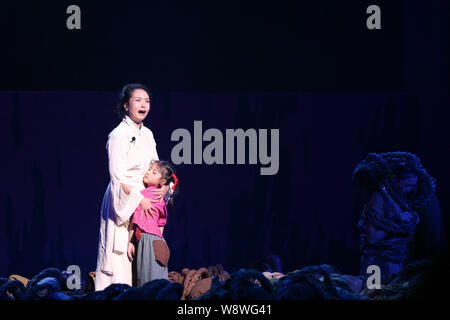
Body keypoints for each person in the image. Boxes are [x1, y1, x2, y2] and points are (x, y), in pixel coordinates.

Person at [95, 84, 170, 291]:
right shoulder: (118, 135)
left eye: (147, 101)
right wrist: (139, 199)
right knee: (118, 259)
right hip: (125, 199)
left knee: (143, 256)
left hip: (145, 199)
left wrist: (165, 188)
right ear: (126, 106)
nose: (144, 104)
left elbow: (158, 167)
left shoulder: (148, 134)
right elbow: (117, 178)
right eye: (138, 100)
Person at [353, 152, 436, 283]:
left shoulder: (398, 199)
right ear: (393, 178)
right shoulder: (378, 198)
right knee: (375, 295)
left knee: (394, 294)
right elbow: (372, 238)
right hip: (376, 263)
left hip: (395, 263)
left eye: (412, 186)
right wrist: (397, 221)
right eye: (407, 185)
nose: (409, 190)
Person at [126, 160, 180, 286]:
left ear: (162, 182)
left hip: (148, 240)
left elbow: (135, 220)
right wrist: (158, 237)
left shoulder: (145, 194)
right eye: (149, 169)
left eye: (153, 172)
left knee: (146, 282)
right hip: (160, 242)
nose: (148, 172)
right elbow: (162, 223)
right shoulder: (161, 198)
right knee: (159, 284)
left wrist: (130, 242)